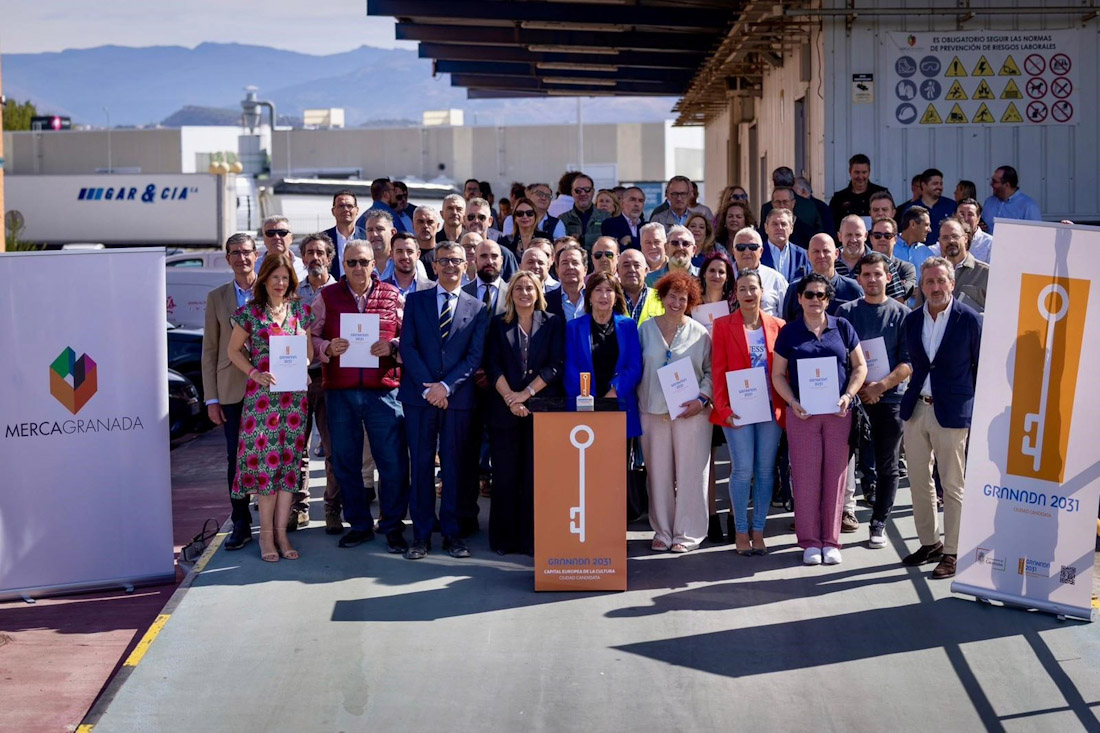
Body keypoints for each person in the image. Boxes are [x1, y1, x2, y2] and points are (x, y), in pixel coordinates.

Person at [309, 241, 410, 553]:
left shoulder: (393, 295)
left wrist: (393, 345)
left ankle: (392, 525)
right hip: (341, 392)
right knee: (346, 461)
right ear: (342, 263)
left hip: (384, 390)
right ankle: (360, 525)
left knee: (392, 462)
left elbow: (411, 335)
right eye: (351, 262)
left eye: (363, 262)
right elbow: (310, 335)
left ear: (374, 264)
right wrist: (327, 348)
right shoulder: (326, 296)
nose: (357, 268)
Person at [399, 242, 490, 560]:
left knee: (453, 468)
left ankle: (452, 534)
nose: (450, 266)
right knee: (422, 466)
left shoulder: (477, 308)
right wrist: (428, 388)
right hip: (419, 397)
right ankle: (421, 536)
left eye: (457, 261)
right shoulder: (415, 300)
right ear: (434, 266)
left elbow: (474, 355)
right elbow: (407, 347)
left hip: (457, 399)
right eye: (444, 261)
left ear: (467, 265)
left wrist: (446, 387)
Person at [771, 273, 867, 566]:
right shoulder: (789, 332)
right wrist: (792, 402)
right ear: (799, 298)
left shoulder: (843, 327)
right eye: (809, 295)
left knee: (835, 477)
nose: (815, 300)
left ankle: (831, 540)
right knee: (805, 477)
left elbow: (860, 366)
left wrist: (848, 396)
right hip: (803, 414)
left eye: (821, 295)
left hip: (838, 413)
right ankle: (810, 541)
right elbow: (777, 375)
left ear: (829, 299)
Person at [225, 253, 315, 562]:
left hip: (293, 402)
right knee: (266, 468)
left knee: (288, 466)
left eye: (285, 277)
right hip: (262, 402)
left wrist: (302, 366)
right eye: (274, 277)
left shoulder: (301, 312)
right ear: (264, 279)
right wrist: (254, 373)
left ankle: (281, 533)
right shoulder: (249, 313)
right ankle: (265, 536)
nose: (280, 283)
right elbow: (233, 351)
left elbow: (309, 351)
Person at [899, 258, 981, 579]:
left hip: (952, 411)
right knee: (919, 481)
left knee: (952, 485)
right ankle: (930, 542)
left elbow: (980, 366)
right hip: (916, 408)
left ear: (952, 284)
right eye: (929, 282)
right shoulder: (912, 319)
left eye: (940, 281)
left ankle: (953, 552)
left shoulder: (969, 320)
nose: (935, 288)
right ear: (922, 285)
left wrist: (970, 406)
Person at [484, 271, 564, 555]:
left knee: (535, 477)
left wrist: (526, 395)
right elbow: (492, 366)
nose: (524, 293)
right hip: (505, 411)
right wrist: (510, 398)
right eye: (519, 288)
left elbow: (555, 365)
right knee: (505, 477)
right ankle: (504, 540)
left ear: (538, 292)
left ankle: (532, 539)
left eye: (530, 288)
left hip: (540, 410)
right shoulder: (497, 325)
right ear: (511, 293)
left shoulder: (553, 322)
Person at [836, 253, 912, 549]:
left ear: (888, 277)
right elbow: (838, 356)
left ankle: (879, 521)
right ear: (859, 279)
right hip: (852, 398)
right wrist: (860, 388)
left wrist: (880, 386)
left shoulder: (901, 314)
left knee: (887, 464)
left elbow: (908, 362)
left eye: (877, 274)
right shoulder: (846, 312)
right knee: (842, 461)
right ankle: (836, 515)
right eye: (866, 274)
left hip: (890, 399)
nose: (871, 279)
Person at [637, 271, 713, 553]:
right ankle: (663, 531)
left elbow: (710, 372)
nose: (677, 303)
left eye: (683, 298)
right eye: (672, 296)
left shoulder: (700, 332)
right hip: (653, 412)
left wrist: (702, 399)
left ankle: (688, 533)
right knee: (658, 474)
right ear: (662, 296)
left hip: (691, 414)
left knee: (692, 473)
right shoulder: (645, 329)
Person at [711, 268, 786, 555]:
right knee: (742, 469)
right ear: (735, 294)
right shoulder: (722, 325)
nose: (748, 294)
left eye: (753, 288)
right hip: (737, 409)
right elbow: (718, 371)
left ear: (762, 291)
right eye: (742, 289)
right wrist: (723, 407)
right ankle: (740, 530)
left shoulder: (778, 325)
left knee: (765, 472)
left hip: (770, 409)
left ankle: (759, 529)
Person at [201, 233, 259, 550]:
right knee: (236, 459)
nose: (241, 258)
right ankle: (241, 522)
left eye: (246, 252)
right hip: (231, 390)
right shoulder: (217, 297)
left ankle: (276, 521)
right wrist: (211, 398)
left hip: (268, 386)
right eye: (234, 253)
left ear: (256, 255)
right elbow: (210, 350)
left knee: (269, 455)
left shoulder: (272, 290)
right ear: (228, 259)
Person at [563, 272, 642, 440]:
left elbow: (634, 366)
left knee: (618, 464)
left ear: (616, 296)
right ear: (589, 296)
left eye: (609, 290)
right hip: (584, 406)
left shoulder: (628, 326)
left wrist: (614, 391)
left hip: (619, 404)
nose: (604, 295)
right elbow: (570, 367)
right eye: (598, 290)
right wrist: (586, 396)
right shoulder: (574, 327)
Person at [297, 233, 341, 534]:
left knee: (332, 446)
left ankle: (332, 508)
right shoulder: (289, 290)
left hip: (330, 376)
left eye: (320, 253)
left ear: (330, 257)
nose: (315, 257)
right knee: (296, 447)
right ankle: (297, 508)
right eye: (310, 252)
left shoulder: (340, 291)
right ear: (302, 258)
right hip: (296, 379)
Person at [897, 169, 956, 242]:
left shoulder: (951, 205)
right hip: (918, 250)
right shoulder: (911, 208)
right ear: (923, 185)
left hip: (944, 250)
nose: (939, 187)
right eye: (935, 184)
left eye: (941, 184)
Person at [829, 153, 888, 225]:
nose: (860, 177)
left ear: (869, 172)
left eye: (864, 172)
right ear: (850, 172)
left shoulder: (882, 193)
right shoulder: (839, 198)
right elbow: (831, 225)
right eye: (857, 172)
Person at [868, 217, 917, 301]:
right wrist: (896, 285)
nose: (882, 239)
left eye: (887, 236)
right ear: (871, 239)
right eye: (877, 236)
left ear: (895, 239)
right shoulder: (861, 265)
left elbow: (901, 296)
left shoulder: (906, 268)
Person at [982, 164, 1041, 232]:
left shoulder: (1029, 206)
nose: (991, 184)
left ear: (1007, 185)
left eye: (995, 182)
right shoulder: (989, 202)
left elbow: (1036, 233)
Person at [323, 190, 366, 280]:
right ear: (333, 211)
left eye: (349, 206)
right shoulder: (323, 239)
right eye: (341, 206)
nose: (345, 209)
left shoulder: (366, 238)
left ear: (357, 210)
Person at [559, 173, 608, 249]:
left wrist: (582, 239)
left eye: (587, 189)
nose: (583, 194)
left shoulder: (605, 217)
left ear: (593, 192)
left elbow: (608, 240)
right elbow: (561, 243)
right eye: (578, 190)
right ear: (572, 193)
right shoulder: (563, 219)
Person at [760, 208, 808, 283]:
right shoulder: (758, 253)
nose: (779, 228)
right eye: (775, 224)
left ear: (791, 228)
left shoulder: (803, 255)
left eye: (783, 224)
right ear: (766, 228)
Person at [617, 248, 664, 324]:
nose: (632, 269)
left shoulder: (661, 297)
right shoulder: (609, 299)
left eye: (636, 265)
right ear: (618, 271)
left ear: (646, 271)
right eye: (626, 265)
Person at [256, 216, 308, 281]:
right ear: (264, 238)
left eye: (282, 233)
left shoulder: (304, 267)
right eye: (270, 233)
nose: (276, 237)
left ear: (291, 238)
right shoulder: (253, 267)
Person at [545, 243, 588, 321]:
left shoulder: (595, 297)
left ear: (585, 269)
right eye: (565, 263)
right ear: (557, 270)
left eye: (575, 263)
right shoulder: (546, 301)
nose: (570, 267)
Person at [385, 231, 433, 296]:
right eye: (399, 251)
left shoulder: (432, 289)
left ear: (418, 255)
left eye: (409, 251)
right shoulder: (379, 289)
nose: (405, 256)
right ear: (392, 255)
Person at [601, 185, 646, 251]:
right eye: (632, 200)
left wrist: (631, 240)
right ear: (622, 203)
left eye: (640, 201)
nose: (637, 204)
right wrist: (640, 242)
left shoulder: (646, 226)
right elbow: (615, 249)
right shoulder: (610, 224)